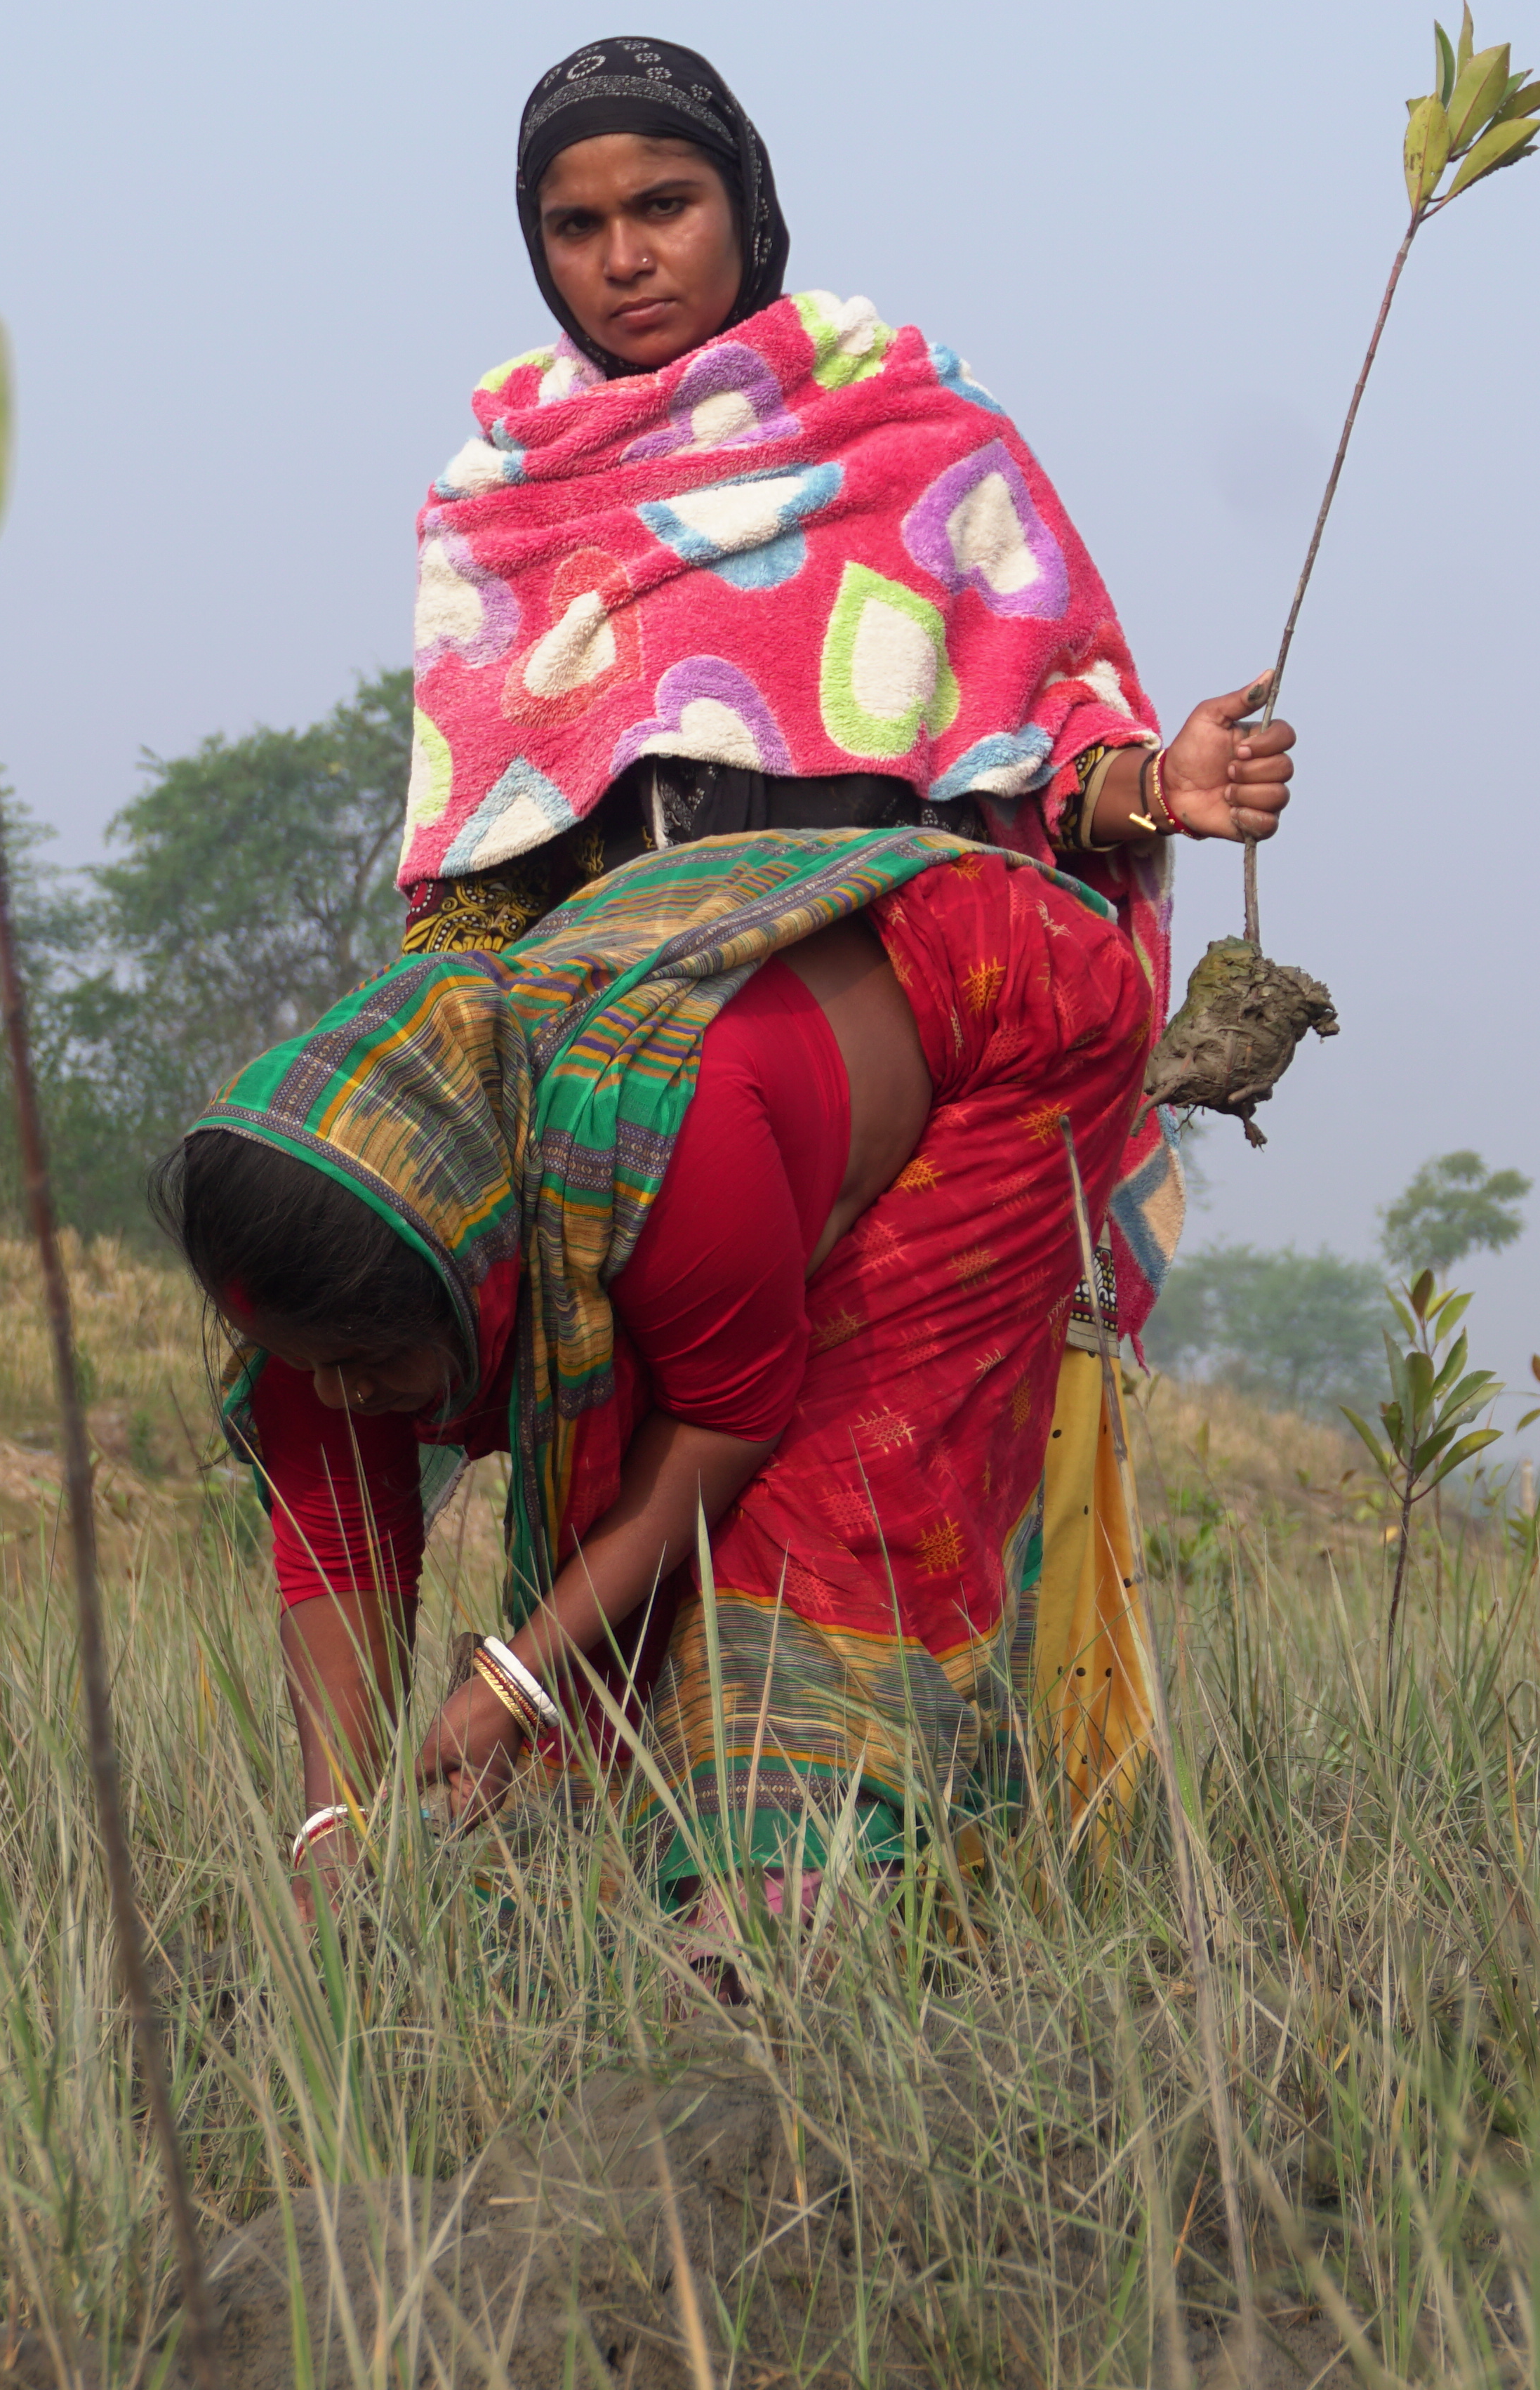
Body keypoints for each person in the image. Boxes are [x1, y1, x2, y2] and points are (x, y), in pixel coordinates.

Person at [399, 36, 1294, 1326]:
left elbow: (1037, 762)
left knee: (882, 1506)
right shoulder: (502, 510)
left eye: (664, 206)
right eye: (574, 224)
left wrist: (1158, 786)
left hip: (908, 1078)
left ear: (747, 208)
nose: (623, 258)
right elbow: (479, 874)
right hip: (610, 1117)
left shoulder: (918, 437)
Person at [154, 826, 1162, 1943]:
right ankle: (678, 1857)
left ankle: (780, 1920)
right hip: (724, 1028)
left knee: (832, 1500)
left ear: (477, 1267)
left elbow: (729, 1419)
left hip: (1014, 1010)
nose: (340, 1396)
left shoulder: (665, 1157)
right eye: (314, 1367)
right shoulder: (327, 1253)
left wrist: (516, 1681)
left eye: (370, 1365)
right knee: (654, 1568)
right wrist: (331, 1832)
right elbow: (341, 1536)